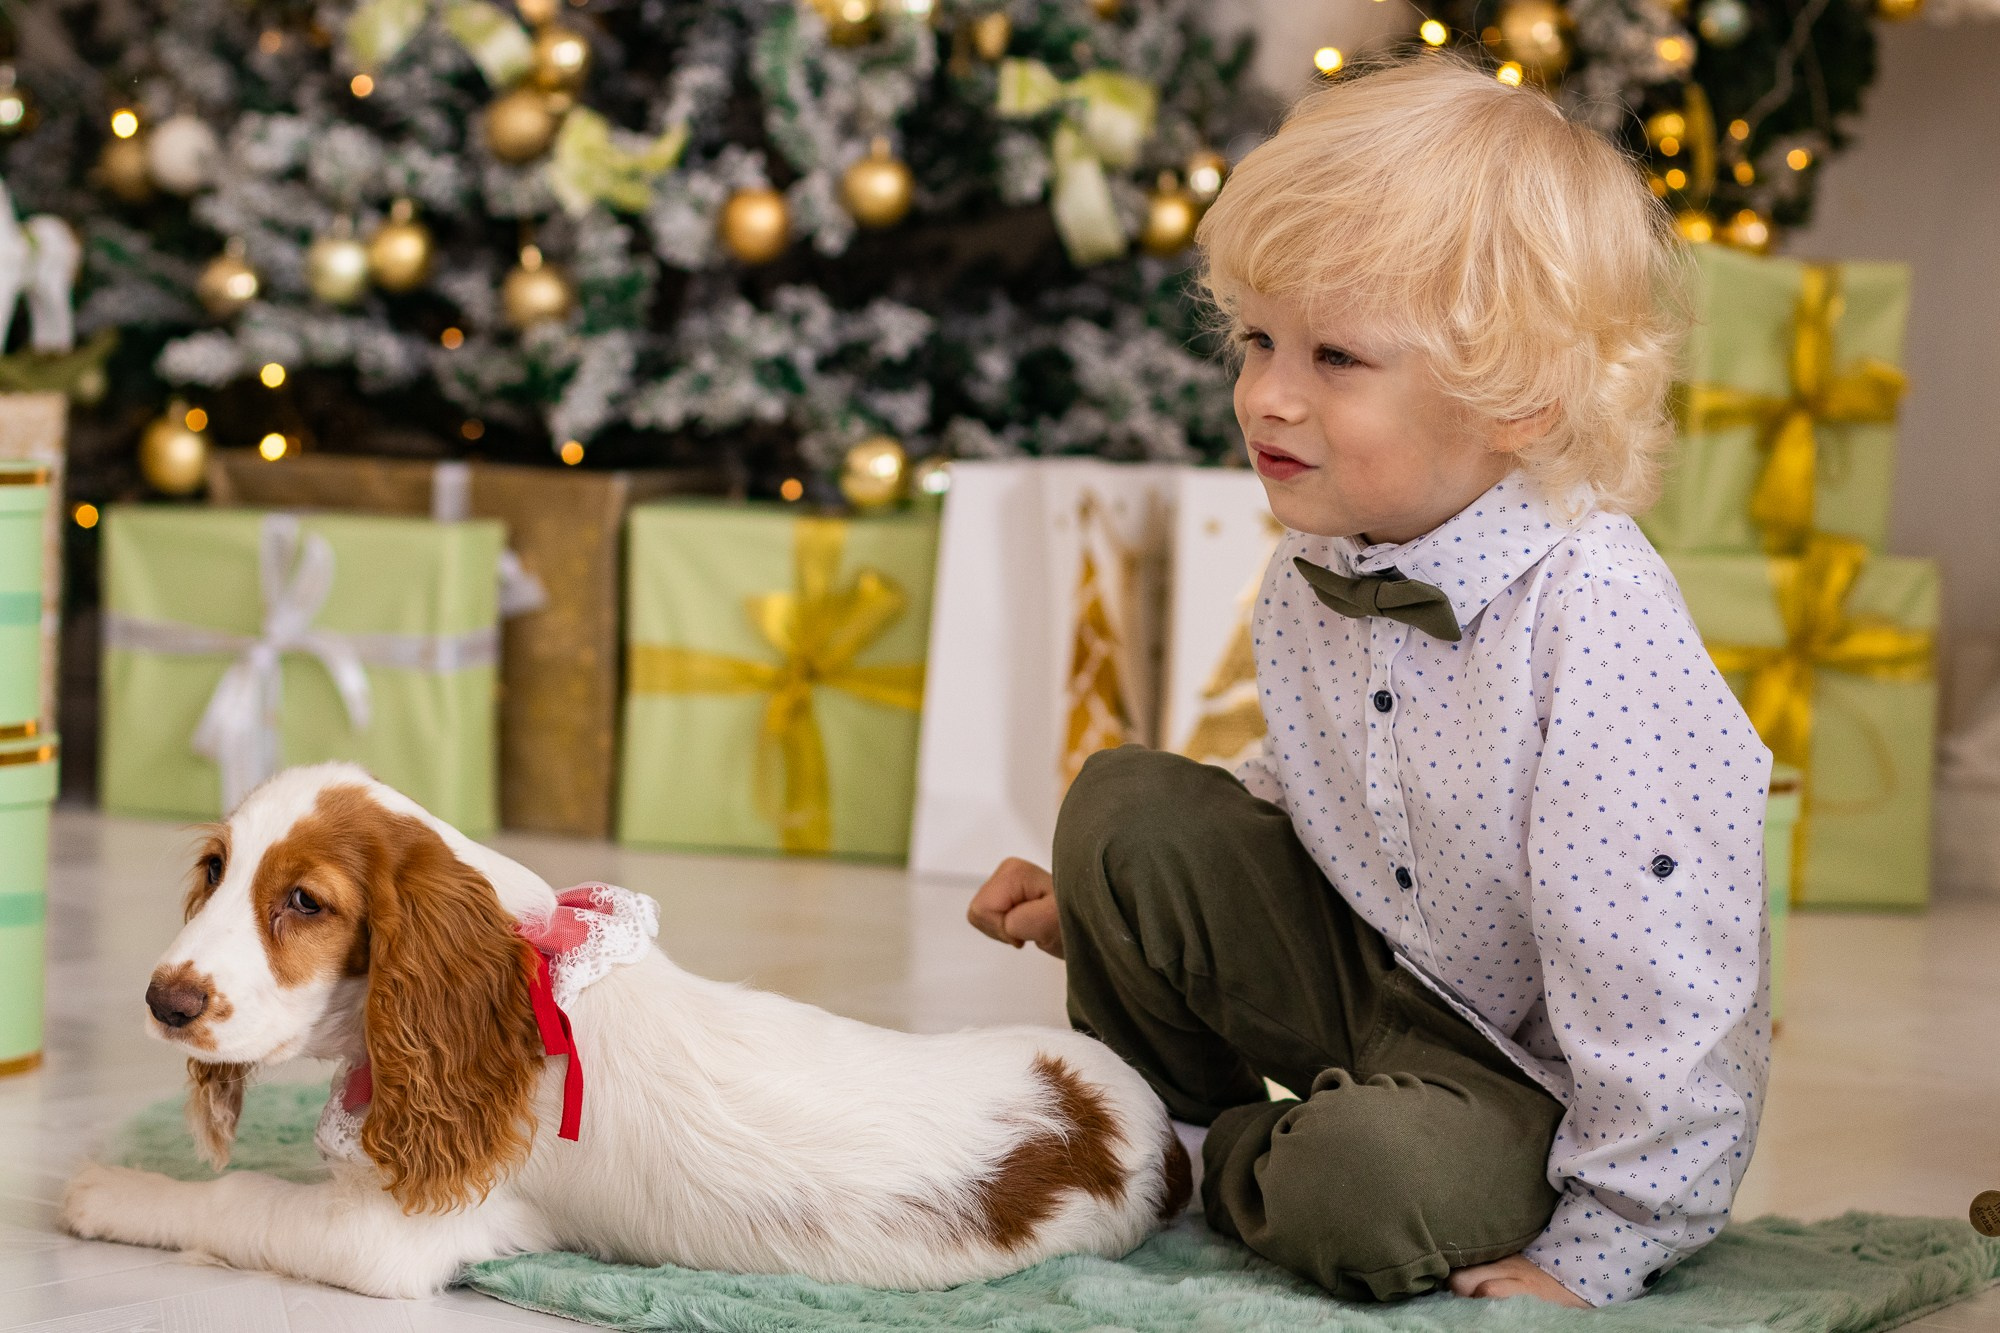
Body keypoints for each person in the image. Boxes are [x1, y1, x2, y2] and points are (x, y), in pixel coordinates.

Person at [967, 56, 1772, 1310]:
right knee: (1126, 807)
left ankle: (1262, 1159)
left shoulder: (1593, 623)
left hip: (1520, 1080)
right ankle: (1158, 1132)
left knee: (1367, 1185)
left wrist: (1606, 1238)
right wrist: (1114, 912)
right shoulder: (1321, 562)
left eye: (1335, 355)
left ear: (1519, 398)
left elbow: (1666, 979)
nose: (1265, 393)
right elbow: (1308, 790)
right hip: (1380, 967)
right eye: (1255, 339)